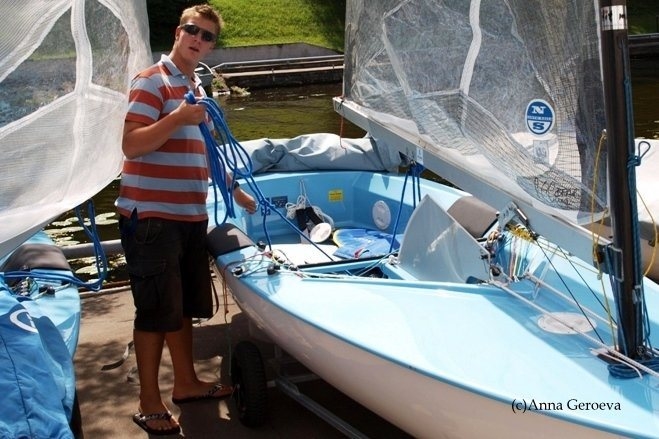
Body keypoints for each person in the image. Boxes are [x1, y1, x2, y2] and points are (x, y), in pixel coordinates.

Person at [116, 4, 257, 436]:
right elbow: (131, 144)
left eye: (208, 36)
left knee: (181, 310)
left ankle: (186, 383)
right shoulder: (151, 81)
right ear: (178, 33)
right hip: (151, 217)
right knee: (155, 312)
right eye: (193, 30)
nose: (199, 39)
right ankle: (148, 403)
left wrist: (234, 189)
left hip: (189, 216)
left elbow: (207, 151)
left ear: (211, 46)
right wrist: (177, 116)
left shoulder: (196, 86)